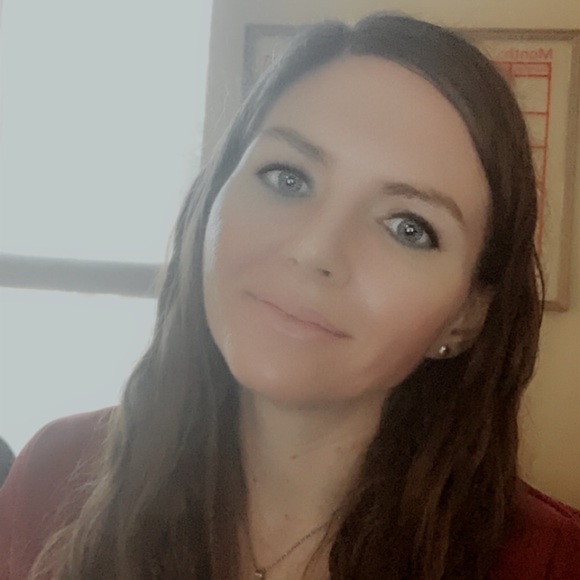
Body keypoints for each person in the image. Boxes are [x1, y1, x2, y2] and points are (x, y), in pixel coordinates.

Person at [1, 12, 579, 580]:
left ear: (466, 316)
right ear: (215, 196)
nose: (314, 249)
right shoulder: (50, 479)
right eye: (288, 177)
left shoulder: (553, 561)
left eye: (409, 227)